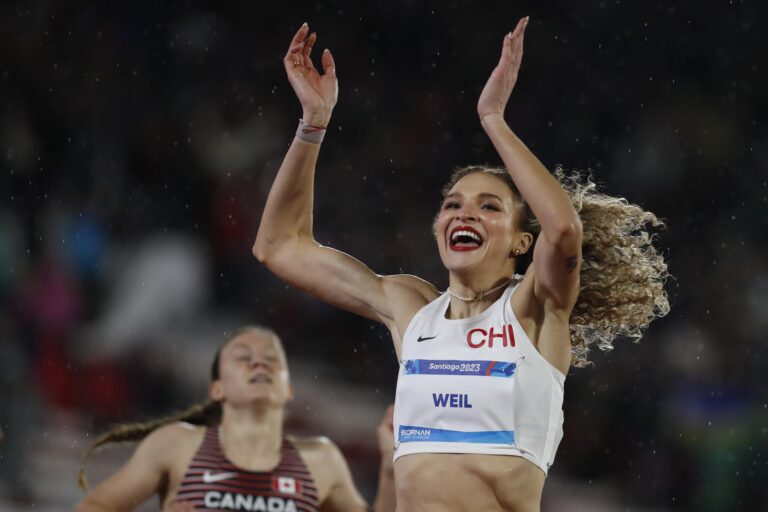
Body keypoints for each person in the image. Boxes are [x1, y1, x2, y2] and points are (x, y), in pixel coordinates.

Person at [253, 17, 669, 512]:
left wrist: (493, 118)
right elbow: (278, 246)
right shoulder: (409, 309)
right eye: (452, 204)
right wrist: (313, 125)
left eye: (489, 207)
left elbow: (562, 230)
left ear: (522, 242)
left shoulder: (536, 309)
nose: (464, 213)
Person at [76, 326, 396, 512]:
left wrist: (390, 467)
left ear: (288, 389)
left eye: (271, 359)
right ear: (217, 389)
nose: (259, 363)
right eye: (243, 357)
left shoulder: (320, 460)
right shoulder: (177, 445)